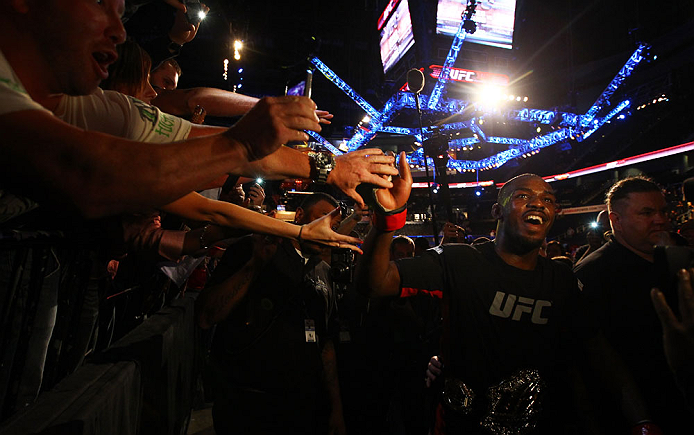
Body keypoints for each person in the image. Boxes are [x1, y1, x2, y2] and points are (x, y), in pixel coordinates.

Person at [0, 0, 396, 224]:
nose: (118, 32)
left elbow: (196, 138)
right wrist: (242, 143)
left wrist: (327, 167)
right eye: (102, 4)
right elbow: (91, 174)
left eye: (120, 14)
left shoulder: (84, 105)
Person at [356, 162, 580, 434]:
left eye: (547, 199)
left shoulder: (563, 281)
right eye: (523, 196)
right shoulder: (459, 260)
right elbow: (376, 284)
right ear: (496, 211)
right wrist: (387, 219)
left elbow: (584, 356)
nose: (538, 204)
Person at [196, 193, 346, 434]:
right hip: (246, 404)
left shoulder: (325, 273)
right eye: (322, 219)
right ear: (299, 215)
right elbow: (206, 316)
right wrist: (255, 265)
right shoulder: (254, 248)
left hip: (302, 408)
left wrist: (336, 409)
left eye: (335, 226)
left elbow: (326, 344)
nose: (328, 229)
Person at [573, 176, 693, 433]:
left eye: (662, 211)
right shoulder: (592, 273)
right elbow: (594, 355)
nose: (660, 219)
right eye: (646, 213)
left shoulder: (680, 259)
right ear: (616, 220)